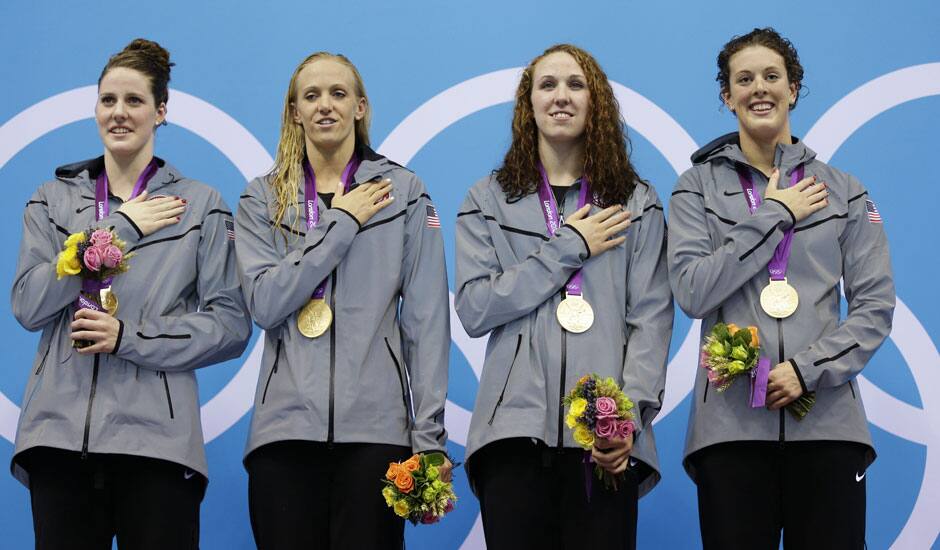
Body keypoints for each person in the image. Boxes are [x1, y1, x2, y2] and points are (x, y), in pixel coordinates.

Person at [10, 38, 251, 549]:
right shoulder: (51, 199)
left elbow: (230, 325)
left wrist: (128, 336)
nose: (119, 113)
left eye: (135, 101)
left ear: (161, 111)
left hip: (158, 447)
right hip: (58, 442)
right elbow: (29, 305)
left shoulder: (200, 205)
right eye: (108, 101)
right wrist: (116, 229)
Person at [668, 27, 895, 550]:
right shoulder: (694, 187)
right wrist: (774, 215)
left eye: (772, 76)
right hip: (729, 431)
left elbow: (875, 305)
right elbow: (693, 290)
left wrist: (807, 370)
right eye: (743, 79)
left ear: (794, 88)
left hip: (829, 425)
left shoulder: (843, 189)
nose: (759, 89)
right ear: (727, 97)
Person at [455, 44, 673, 549]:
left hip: (605, 439)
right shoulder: (487, 199)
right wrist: (569, 247)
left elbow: (652, 320)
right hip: (511, 435)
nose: (561, 96)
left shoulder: (635, 200)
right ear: (526, 105)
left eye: (576, 85)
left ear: (596, 103)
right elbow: (475, 307)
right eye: (547, 85)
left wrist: (627, 417)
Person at [235, 51, 451, 549]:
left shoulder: (405, 192)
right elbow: (265, 303)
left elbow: (427, 321)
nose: (324, 106)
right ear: (294, 112)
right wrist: (342, 223)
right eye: (311, 96)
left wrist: (429, 437)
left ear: (360, 107)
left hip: (376, 436)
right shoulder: (261, 199)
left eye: (337, 94)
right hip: (283, 435)